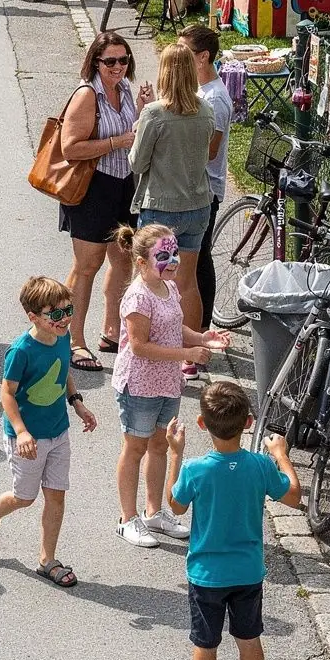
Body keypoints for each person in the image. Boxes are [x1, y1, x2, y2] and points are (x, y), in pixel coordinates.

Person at [166, 380, 301, 660]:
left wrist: (175, 454)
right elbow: (292, 496)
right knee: (249, 640)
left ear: (201, 424)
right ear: (248, 423)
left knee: (205, 645)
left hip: (206, 575)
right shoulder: (258, 465)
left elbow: (175, 505)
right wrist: (281, 454)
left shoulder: (195, 468)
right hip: (247, 573)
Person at [0, 276, 97, 586]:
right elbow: (7, 394)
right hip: (27, 438)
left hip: (58, 431)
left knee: (56, 497)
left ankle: (47, 560)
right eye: (55, 314)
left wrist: (77, 402)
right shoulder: (21, 350)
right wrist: (22, 431)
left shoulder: (64, 338)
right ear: (34, 317)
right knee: (23, 498)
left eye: (69, 310)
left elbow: (63, 370)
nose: (64, 319)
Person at [113, 224, 228, 548]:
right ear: (141, 261)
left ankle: (153, 513)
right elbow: (139, 346)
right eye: (163, 255)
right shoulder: (138, 296)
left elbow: (176, 327)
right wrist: (187, 353)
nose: (173, 260)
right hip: (138, 383)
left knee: (160, 446)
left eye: (174, 252)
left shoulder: (169, 287)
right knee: (135, 448)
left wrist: (203, 337)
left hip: (167, 382)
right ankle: (127, 518)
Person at [59, 32, 153, 372]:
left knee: (123, 259)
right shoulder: (87, 95)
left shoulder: (126, 89)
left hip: (124, 185)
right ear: (96, 62)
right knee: (87, 267)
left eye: (123, 60)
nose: (117, 66)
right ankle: (72, 340)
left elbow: (133, 133)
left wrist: (143, 109)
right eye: (110, 61)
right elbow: (70, 149)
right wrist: (115, 141)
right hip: (92, 188)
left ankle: (112, 330)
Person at [128, 45, 214, 378]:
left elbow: (138, 162)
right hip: (197, 204)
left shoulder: (154, 113)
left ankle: (143, 349)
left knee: (149, 282)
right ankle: (190, 357)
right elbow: (205, 156)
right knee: (187, 282)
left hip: (161, 206)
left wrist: (138, 128)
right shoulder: (206, 110)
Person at [178, 26, 234, 330]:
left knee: (198, 261)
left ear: (203, 57)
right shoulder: (198, 89)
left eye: (184, 52)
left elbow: (209, 152)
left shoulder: (215, 100)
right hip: (189, 187)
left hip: (204, 189)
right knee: (191, 260)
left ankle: (200, 328)